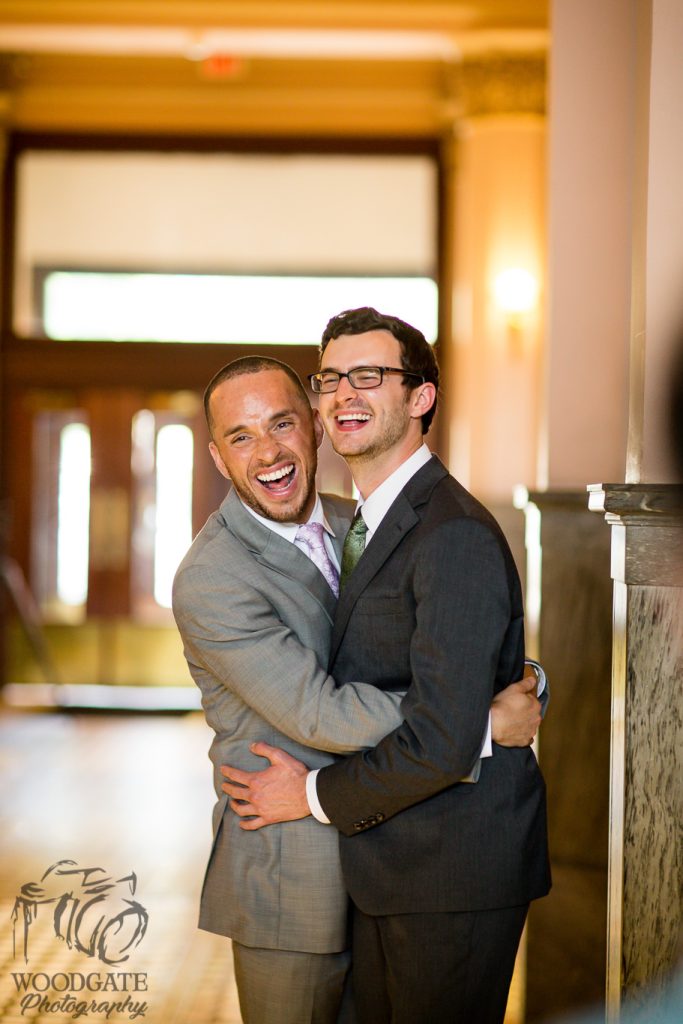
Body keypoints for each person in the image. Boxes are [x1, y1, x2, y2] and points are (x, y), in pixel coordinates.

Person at [174, 354, 545, 1024]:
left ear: (315, 426)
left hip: (391, 860)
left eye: (282, 424)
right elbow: (319, 713)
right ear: (218, 457)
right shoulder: (211, 577)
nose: (268, 452)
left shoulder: (365, 524)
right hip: (290, 876)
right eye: (241, 436)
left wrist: (522, 678)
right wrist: (476, 723)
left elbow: (447, 641)